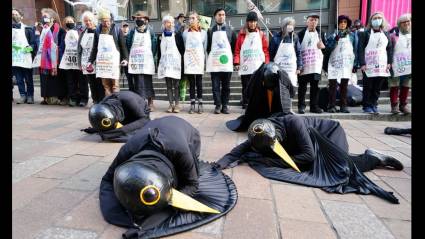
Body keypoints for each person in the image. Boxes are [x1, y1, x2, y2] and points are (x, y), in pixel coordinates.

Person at [98, 116, 237, 238]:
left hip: (188, 134)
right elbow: (108, 179)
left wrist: (164, 204)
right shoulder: (127, 151)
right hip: (154, 130)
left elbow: (192, 185)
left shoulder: (181, 151)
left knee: (189, 173)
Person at [217, 115, 404, 204]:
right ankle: (365, 157)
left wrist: (271, 162)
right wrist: (219, 165)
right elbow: (237, 151)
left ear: (277, 138)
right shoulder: (260, 133)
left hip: (328, 137)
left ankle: (373, 157)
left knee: (340, 169)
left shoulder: (294, 123)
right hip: (308, 145)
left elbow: (308, 156)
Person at [226, 62, 293, 132]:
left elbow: (290, 91)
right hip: (261, 92)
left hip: (277, 91)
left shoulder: (282, 75)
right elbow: (249, 92)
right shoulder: (257, 75)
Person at [87, 8, 129, 96]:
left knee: (115, 85)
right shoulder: (97, 31)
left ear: (111, 20)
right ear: (100, 22)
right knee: (105, 85)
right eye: (103, 21)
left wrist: (125, 58)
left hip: (114, 63)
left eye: (107, 21)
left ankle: (115, 103)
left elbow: (123, 46)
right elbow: (95, 47)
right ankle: (108, 104)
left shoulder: (117, 30)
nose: (106, 23)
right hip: (103, 63)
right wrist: (90, 61)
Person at [358, 12, 393, 114]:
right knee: (368, 86)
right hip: (369, 64)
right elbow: (360, 49)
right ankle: (366, 106)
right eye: (375, 18)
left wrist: (389, 62)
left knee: (377, 87)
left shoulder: (386, 34)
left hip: (382, 65)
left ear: (382, 20)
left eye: (379, 18)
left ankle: (374, 104)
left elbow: (389, 49)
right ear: (371, 20)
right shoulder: (365, 33)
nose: (377, 19)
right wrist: (362, 63)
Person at [234, 11, 270, 109]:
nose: (252, 24)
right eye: (250, 21)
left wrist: (266, 63)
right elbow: (237, 50)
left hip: (258, 65)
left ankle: (256, 102)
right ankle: (246, 102)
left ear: (256, 22)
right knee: (246, 85)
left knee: (258, 86)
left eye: (254, 21)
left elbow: (265, 50)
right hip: (245, 64)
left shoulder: (261, 34)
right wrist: (236, 62)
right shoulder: (241, 34)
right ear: (247, 22)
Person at [83, 90, 150, 142]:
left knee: (132, 133)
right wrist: (97, 127)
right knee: (108, 126)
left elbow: (145, 119)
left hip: (138, 115)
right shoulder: (103, 103)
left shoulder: (128, 100)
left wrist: (118, 131)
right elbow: (99, 115)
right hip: (122, 114)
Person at [32, 8, 67, 105]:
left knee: (55, 80)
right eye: (42, 17)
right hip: (43, 60)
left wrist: (54, 56)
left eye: (45, 16)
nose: (43, 19)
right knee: (45, 78)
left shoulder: (59, 30)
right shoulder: (43, 29)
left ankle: (57, 97)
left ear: (52, 18)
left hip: (55, 59)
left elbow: (61, 45)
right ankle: (47, 97)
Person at [324, 15, 358, 113]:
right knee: (333, 86)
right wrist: (336, 39)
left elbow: (354, 50)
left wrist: (355, 64)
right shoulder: (333, 35)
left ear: (347, 24)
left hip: (346, 64)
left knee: (344, 86)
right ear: (338, 23)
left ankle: (344, 105)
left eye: (345, 22)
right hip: (334, 64)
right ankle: (331, 105)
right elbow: (328, 48)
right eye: (341, 22)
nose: (343, 24)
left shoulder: (352, 35)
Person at [207, 8, 237, 114]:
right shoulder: (210, 30)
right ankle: (218, 105)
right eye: (219, 14)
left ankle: (225, 105)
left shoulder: (231, 30)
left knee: (226, 86)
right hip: (215, 63)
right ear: (215, 16)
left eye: (223, 15)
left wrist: (233, 60)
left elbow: (234, 46)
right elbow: (208, 47)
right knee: (215, 86)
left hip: (226, 63)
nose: (222, 16)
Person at [269, 16, 302, 111]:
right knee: (278, 88)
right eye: (288, 25)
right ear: (283, 27)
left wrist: (299, 66)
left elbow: (298, 53)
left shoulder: (295, 38)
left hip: (291, 69)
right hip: (279, 68)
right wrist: (271, 67)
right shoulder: (276, 38)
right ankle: (278, 109)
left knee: (291, 88)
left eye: (292, 26)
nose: (290, 28)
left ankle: (289, 109)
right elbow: (271, 54)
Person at [126, 11, 157, 111]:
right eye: (136, 18)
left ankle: (150, 102)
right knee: (138, 82)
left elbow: (154, 46)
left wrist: (149, 56)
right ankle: (140, 103)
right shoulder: (132, 32)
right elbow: (128, 44)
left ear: (146, 20)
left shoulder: (150, 31)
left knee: (148, 81)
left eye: (141, 18)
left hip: (147, 61)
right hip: (136, 61)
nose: (138, 20)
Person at [297, 13, 326, 114]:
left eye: (316, 20)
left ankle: (314, 106)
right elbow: (297, 49)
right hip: (304, 64)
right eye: (311, 20)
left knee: (315, 87)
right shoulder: (300, 34)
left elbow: (325, 50)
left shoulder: (321, 33)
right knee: (302, 87)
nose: (313, 22)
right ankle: (301, 106)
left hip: (315, 65)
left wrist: (323, 47)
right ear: (307, 21)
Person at [157, 15, 185, 113]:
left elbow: (182, 50)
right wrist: (159, 64)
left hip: (175, 63)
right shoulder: (160, 36)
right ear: (164, 24)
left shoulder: (177, 35)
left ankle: (177, 104)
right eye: (168, 22)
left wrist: (181, 62)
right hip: (165, 64)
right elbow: (159, 52)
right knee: (168, 85)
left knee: (176, 85)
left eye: (172, 22)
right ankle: (170, 104)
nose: (171, 24)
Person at [59, 16, 88, 107]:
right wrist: (62, 60)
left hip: (78, 60)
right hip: (68, 61)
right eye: (67, 21)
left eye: (71, 21)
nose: (69, 23)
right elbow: (62, 47)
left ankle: (83, 99)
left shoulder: (80, 31)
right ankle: (73, 98)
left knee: (82, 81)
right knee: (71, 81)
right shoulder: (64, 34)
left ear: (74, 22)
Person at [182, 11, 208, 114]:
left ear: (198, 19)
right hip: (189, 60)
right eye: (190, 18)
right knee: (191, 83)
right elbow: (185, 46)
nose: (191, 20)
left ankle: (200, 104)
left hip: (199, 60)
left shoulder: (204, 33)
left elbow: (204, 48)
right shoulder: (185, 33)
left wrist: (203, 61)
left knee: (199, 82)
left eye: (193, 18)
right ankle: (192, 104)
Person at [78, 11, 104, 104]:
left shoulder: (98, 31)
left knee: (99, 82)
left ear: (93, 21)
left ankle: (101, 100)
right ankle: (95, 100)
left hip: (97, 61)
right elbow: (79, 49)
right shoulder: (82, 33)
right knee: (91, 82)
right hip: (86, 61)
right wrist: (79, 63)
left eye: (89, 20)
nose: (88, 22)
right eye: (86, 21)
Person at [12, 8, 36, 104]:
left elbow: (34, 43)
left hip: (26, 57)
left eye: (15, 14)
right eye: (12, 14)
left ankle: (30, 96)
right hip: (15, 58)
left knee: (28, 79)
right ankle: (23, 95)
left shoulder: (28, 29)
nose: (14, 16)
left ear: (21, 16)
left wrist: (29, 48)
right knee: (19, 79)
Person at [389, 13, 411, 115]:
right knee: (394, 84)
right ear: (399, 24)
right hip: (396, 64)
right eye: (404, 22)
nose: (406, 24)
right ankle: (394, 105)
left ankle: (403, 105)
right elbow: (389, 50)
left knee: (406, 84)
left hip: (408, 64)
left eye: (408, 22)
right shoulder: (393, 36)